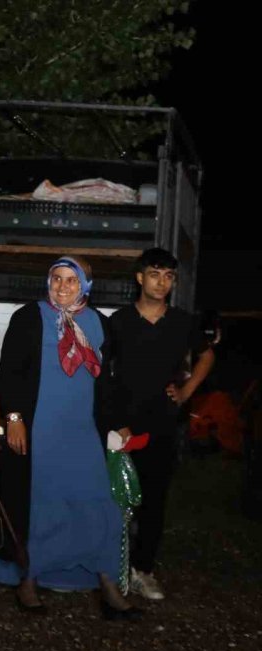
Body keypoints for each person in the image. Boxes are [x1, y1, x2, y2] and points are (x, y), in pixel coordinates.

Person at [0, 256, 140, 620]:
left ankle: (107, 584)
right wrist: (14, 418)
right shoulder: (29, 317)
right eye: (57, 278)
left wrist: (118, 423)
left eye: (72, 280)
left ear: (86, 285)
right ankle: (29, 580)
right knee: (41, 506)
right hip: (40, 431)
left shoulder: (100, 323)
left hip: (83, 432)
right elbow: (8, 373)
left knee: (98, 504)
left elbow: (110, 381)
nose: (63, 286)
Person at [108, 247, 214, 600]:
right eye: (155, 274)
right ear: (140, 278)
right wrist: (115, 421)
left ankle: (143, 571)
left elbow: (207, 355)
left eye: (169, 276)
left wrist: (185, 393)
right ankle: (110, 569)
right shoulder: (119, 322)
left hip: (162, 426)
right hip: (121, 427)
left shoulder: (182, 322)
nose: (162, 282)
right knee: (114, 499)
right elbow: (102, 375)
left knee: (153, 502)